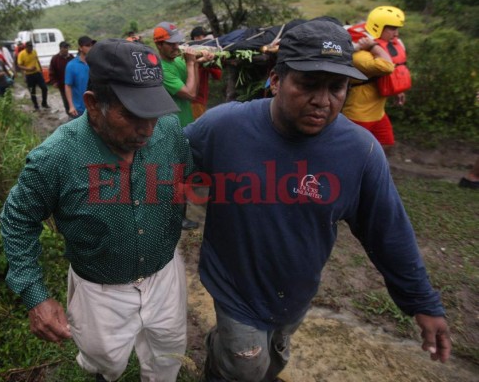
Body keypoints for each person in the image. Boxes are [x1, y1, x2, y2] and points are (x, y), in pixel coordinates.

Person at [183, 19, 452, 382]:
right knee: (245, 366)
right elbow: (166, 161)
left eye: (337, 87)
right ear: (276, 80)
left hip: (296, 290)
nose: (323, 101)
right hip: (235, 286)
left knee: (274, 360)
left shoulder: (359, 151)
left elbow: (387, 231)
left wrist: (422, 302)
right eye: (308, 84)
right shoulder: (225, 127)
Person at [0, 38, 194, 382]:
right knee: (105, 361)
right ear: (92, 104)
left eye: (154, 112)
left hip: (165, 276)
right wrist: (35, 295)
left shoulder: (169, 131)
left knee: (168, 353)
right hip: (100, 290)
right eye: (132, 115)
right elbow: (18, 219)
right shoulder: (56, 158)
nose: (147, 129)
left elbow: (183, 177)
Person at [154, 21, 214, 230]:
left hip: (187, 124)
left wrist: (200, 60)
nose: (176, 47)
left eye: (178, 42)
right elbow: (189, 93)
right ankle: (176, 218)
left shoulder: (177, 60)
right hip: (171, 128)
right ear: (159, 45)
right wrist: (191, 64)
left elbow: (192, 72)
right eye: (170, 44)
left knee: (184, 172)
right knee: (175, 174)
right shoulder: (161, 68)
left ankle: (181, 212)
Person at [342, 6, 408, 154]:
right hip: (358, 113)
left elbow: (391, 70)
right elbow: (387, 67)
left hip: (378, 112)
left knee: (386, 143)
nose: (396, 34)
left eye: (397, 29)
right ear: (378, 27)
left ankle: (368, 170)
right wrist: (373, 46)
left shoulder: (379, 46)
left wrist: (398, 90)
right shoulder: (360, 53)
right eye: (392, 29)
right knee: (353, 151)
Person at [189, 26, 222, 119]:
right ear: (194, 40)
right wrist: (199, 62)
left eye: (203, 37)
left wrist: (210, 63)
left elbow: (218, 76)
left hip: (202, 99)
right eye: (198, 38)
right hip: (194, 100)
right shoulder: (190, 57)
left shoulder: (208, 58)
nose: (201, 40)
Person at [65, 36, 95, 118]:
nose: (91, 48)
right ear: (80, 48)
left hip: (94, 107)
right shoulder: (72, 65)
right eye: (87, 45)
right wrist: (71, 106)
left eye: (92, 45)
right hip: (79, 109)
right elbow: (68, 86)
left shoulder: (95, 63)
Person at [17, 41, 49, 111]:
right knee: (32, 91)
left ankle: (44, 103)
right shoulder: (21, 54)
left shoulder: (34, 52)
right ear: (26, 47)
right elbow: (19, 65)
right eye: (29, 47)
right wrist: (28, 69)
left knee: (44, 88)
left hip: (37, 73)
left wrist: (41, 69)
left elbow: (37, 60)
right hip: (29, 75)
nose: (30, 48)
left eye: (31, 46)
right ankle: (36, 106)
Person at [49, 41, 74, 114]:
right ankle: (69, 114)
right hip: (62, 84)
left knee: (74, 99)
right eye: (64, 48)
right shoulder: (55, 59)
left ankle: (76, 114)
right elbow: (51, 71)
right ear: (60, 48)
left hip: (72, 83)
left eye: (67, 48)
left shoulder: (71, 57)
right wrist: (54, 81)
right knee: (66, 100)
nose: (66, 49)